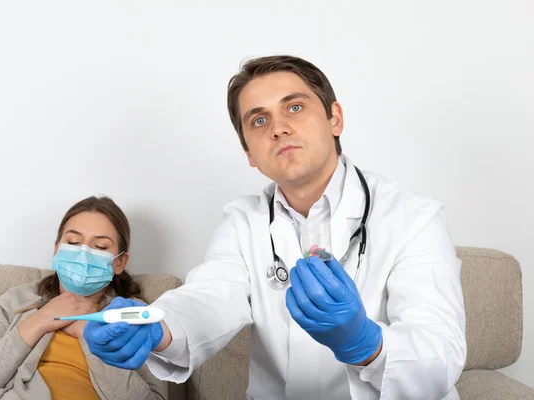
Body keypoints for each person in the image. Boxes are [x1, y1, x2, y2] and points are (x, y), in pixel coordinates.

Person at [83, 56, 467, 399]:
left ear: (335, 118)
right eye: (259, 119)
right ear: (249, 153)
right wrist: (156, 327)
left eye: (295, 107)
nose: (278, 128)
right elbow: (210, 298)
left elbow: (441, 356)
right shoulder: (243, 222)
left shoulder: (414, 217)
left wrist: (365, 343)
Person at [0, 196, 168, 400]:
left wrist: (88, 331)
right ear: (56, 249)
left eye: (99, 246)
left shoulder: (135, 315)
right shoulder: (14, 302)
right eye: (72, 242)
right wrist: (39, 322)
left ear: (119, 262)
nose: (83, 254)